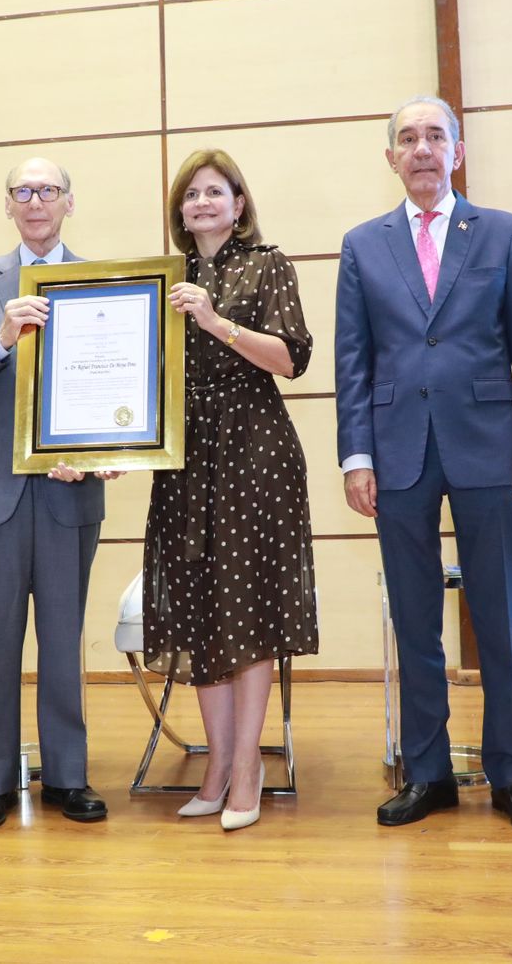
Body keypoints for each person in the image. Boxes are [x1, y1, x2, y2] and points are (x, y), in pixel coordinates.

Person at [335, 96, 512, 834]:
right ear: (391, 157)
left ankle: (511, 773)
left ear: (457, 151)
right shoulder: (363, 245)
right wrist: (355, 456)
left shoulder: (503, 232)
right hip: (396, 452)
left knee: (498, 618)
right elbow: (354, 362)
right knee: (416, 620)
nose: (422, 149)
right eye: (408, 138)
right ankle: (426, 772)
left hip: (489, 444)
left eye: (436, 136)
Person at [0, 157, 116, 832]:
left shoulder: (104, 285)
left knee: (64, 638)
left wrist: (105, 452)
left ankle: (69, 775)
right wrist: (0, 338)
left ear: (70, 201)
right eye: (23, 191)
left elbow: (120, 385)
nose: (36, 201)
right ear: (8, 204)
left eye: (49, 190)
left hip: (71, 491)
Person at [144, 149, 318, 832]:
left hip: (254, 451)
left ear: (239, 204)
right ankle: (216, 765)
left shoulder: (268, 265)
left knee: (248, 612)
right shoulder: (162, 277)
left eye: (216, 192)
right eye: (191, 195)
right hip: (184, 456)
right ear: (180, 212)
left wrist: (217, 322)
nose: (202, 204)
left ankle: (247, 766)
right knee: (198, 612)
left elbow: (293, 358)